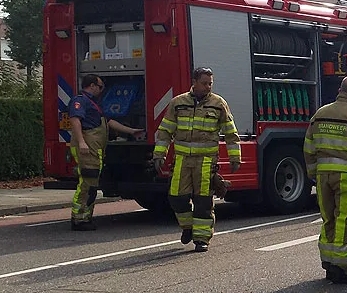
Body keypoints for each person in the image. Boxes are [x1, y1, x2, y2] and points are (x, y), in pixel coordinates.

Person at [153, 67, 241, 252]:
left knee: (203, 202)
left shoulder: (218, 104)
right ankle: (188, 227)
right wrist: (159, 154)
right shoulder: (178, 103)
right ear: (194, 82)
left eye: (210, 83)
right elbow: (165, 131)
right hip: (182, 161)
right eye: (204, 83)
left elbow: (230, 133)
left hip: (206, 162)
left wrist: (235, 157)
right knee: (176, 198)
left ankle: (201, 239)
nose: (208, 87)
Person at [305, 76, 347, 284]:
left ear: (339, 90)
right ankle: (344, 268)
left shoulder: (320, 114)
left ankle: (329, 263)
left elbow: (309, 147)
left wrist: (313, 173)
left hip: (323, 176)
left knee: (329, 219)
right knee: (346, 220)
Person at [67, 74, 143, 230]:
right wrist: (81, 142)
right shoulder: (80, 101)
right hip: (87, 149)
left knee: (91, 184)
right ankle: (79, 219)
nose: (102, 90)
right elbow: (75, 120)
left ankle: (84, 217)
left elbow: (108, 122)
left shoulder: (94, 103)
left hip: (93, 149)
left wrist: (131, 131)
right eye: (100, 87)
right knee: (87, 184)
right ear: (92, 86)